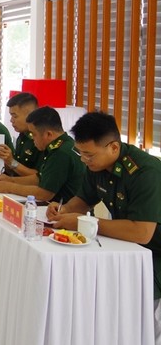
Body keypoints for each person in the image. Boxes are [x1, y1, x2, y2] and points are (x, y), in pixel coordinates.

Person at [47, 111, 161, 335]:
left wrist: (82, 222)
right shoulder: (96, 166)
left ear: (114, 148)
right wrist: (64, 210)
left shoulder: (146, 172)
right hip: (128, 247)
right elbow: (84, 199)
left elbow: (142, 233)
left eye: (88, 155)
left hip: (154, 251)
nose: (83, 160)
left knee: (132, 304)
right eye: (80, 153)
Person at [0, 106, 84, 203]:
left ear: (48, 134)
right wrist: (10, 180)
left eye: (34, 134)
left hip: (66, 211)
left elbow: (44, 194)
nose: (32, 139)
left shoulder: (61, 153)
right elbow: (40, 178)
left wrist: (10, 187)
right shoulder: (63, 143)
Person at [0, 92, 40, 176]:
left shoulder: (40, 139)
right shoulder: (22, 136)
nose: (11, 120)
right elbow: (15, 172)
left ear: (30, 115)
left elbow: (40, 177)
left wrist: (11, 162)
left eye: (15, 116)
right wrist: (5, 160)